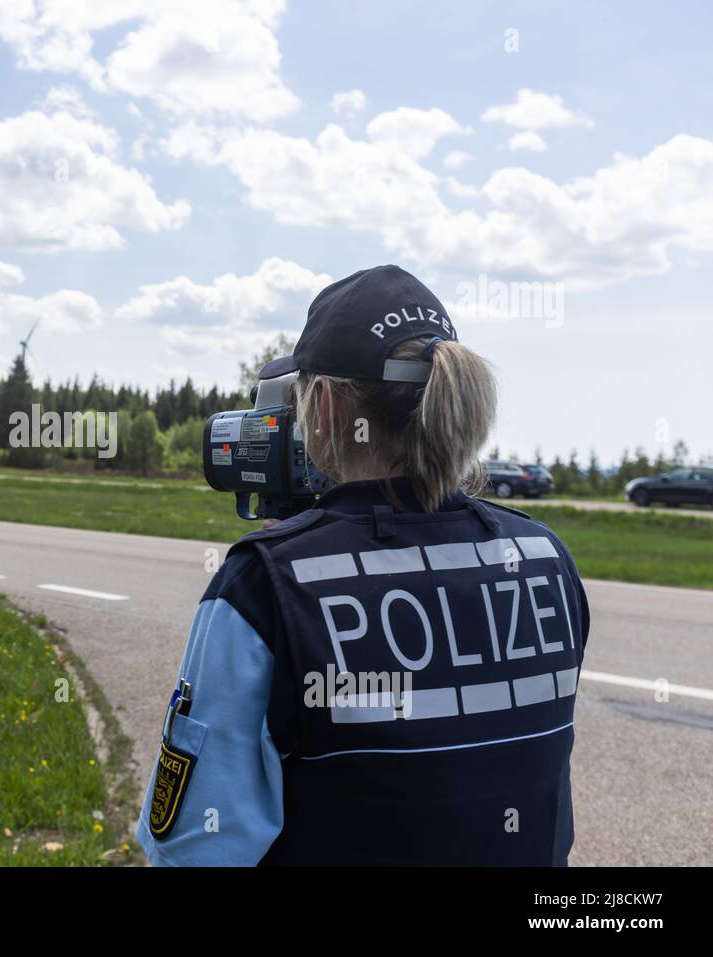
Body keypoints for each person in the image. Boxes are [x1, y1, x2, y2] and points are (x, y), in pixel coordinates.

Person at [136, 265, 590, 866]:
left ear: (322, 403)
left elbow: (195, 851)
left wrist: (302, 548)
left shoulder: (265, 586)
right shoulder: (543, 559)